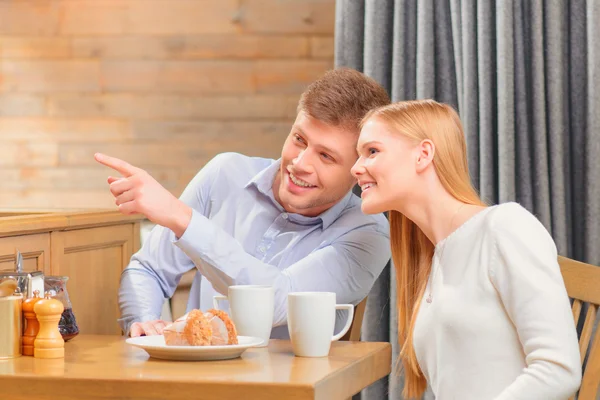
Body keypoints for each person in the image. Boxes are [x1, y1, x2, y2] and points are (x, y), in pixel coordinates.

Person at [95, 67, 392, 339]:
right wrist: (144, 321)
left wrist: (182, 219)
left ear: (358, 169)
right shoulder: (225, 174)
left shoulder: (369, 232)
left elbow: (277, 301)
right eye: (299, 139)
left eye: (326, 156)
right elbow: (149, 270)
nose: (300, 164)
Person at [351, 99, 581, 399]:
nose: (356, 168)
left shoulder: (504, 227)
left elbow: (559, 368)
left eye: (372, 151)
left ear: (423, 155)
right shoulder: (433, 261)